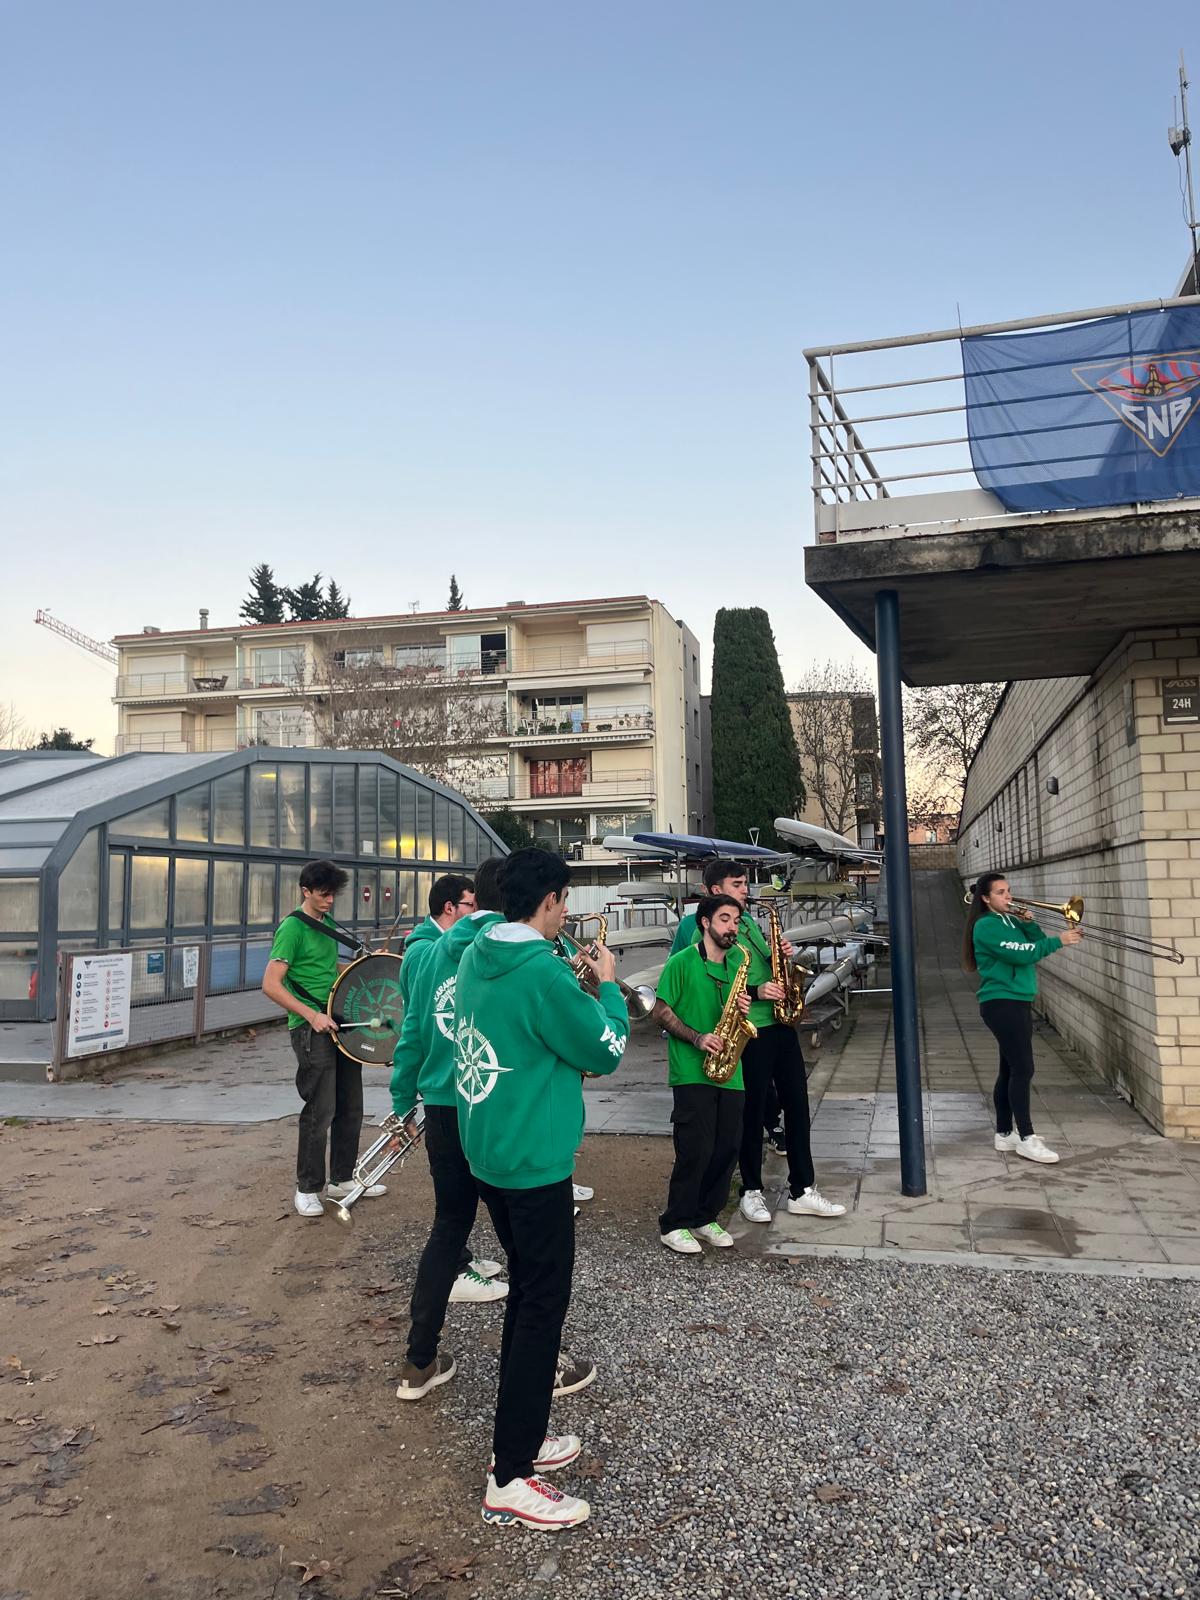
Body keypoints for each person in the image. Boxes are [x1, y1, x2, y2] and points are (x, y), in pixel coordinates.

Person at [454, 847, 629, 1530]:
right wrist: (606, 987)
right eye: (564, 902)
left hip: (489, 1152)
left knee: (527, 1295)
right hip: (537, 1164)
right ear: (550, 900)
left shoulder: (475, 954)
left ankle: (522, 1439)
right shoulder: (545, 974)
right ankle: (509, 1476)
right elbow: (605, 1050)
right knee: (539, 1309)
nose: (566, 915)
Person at [391, 859, 511, 1399]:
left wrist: (403, 1099)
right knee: (526, 1239)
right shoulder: (516, 949)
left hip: (441, 1104)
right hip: (493, 1102)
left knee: (449, 1226)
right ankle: (545, 1364)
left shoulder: (430, 953)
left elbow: (414, 1028)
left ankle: (419, 1361)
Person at [672, 857, 844, 1226]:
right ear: (715, 890)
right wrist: (755, 990)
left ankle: (802, 1189)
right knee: (750, 1114)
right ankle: (750, 1190)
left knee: (797, 1105)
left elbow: (760, 965)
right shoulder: (698, 926)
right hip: (750, 1027)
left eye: (745, 883)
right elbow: (712, 976)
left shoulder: (747, 921)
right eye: (737, 884)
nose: (745, 890)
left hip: (780, 1022)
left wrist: (781, 956)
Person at [263, 859, 382, 1218]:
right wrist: (311, 1015)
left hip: (338, 1022)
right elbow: (271, 983)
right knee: (321, 1108)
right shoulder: (292, 929)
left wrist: (369, 966)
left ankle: (341, 1177)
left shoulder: (326, 924)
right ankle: (308, 1187)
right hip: (310, 1027)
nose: (330, 901)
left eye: (333, 895)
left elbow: (329, 970)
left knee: (351, 1103)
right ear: (306, 891)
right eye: (323, 894)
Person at [652, 894, 751, 1254]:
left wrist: (743, 1008)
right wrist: (697, 1037)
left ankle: (705, 1216)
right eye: (725, 919)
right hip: (692, 1070)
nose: (732, 927)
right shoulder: (681, 962)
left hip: (730, 1069)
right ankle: (675, 1222)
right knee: (696, 1148)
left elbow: (735, 1011)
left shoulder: (738, 961)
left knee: (727, 1147)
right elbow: (660, 1011)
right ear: (705, 923)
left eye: (736, 921)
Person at [963, 872, 1083, 1165]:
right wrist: (1060, 940)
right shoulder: (985, 926)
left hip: (1017, 1000)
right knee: (1023, 1069)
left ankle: (1005, 1133)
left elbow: (1036, 942)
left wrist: (1029, 923)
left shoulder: (1011, 920)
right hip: (1002, 1002)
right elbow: (1022, 954)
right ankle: (1027, 1138)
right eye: (1000, 892)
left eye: (1008, 891)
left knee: (1009, 1069)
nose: (1009, 896)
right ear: (985, 898)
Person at [400, 874, 478, 1005]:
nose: (475, 911)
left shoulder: (446, 945)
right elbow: (424, 1009)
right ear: (449, 907)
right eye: (471, 905)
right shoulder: (422, 953)